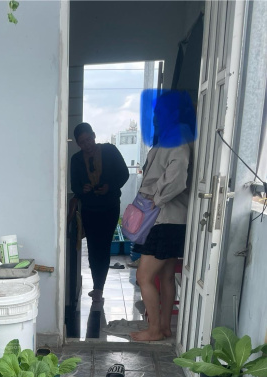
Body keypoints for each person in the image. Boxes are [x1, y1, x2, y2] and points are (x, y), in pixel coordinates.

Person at [131, 92, 195, 342]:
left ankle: (155, 329)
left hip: (164, 219)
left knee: (143, 276)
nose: (156, 117)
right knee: (166, 276)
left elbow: (177, 179)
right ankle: (165, 327)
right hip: (173, 219)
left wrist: (155, 200)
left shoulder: (177, 138)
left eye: (160, 112)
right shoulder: (176, 136)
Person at [70, 123, 130, 302]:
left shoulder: (110, 151)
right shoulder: (76, 159)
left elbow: (124, 174)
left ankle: (99, 288)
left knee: (103, 246)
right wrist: (83, 189)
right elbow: (74, 185)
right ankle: (97, 286)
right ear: (78, 143)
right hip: (89, 209)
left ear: (94, 135)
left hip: (110, 207)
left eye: (89, 139)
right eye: (82, 142)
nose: (87, 144)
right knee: (93, 247)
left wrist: (109, 187)